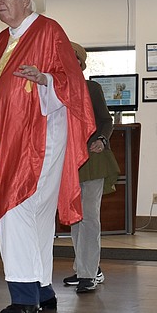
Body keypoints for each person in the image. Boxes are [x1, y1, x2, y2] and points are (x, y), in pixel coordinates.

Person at [0, 0, 95, 313]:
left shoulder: (47, 30)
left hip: (38, 141)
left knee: (15, 212)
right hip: (9, 142)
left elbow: (71, 85)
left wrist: (44, 79)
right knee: (35, 217)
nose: (0, 2)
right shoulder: (3, 40)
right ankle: (42, 291)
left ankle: (24, 297)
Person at [62, 43, 118, 293]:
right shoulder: (55, 90)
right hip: (67, 161)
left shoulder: (91, 88)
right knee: (75, 217)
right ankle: (86, 268)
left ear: (80, 63)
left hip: (92, 160)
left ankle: (88, 273)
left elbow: (106, 120)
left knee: (89, 217)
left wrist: (101, 139)